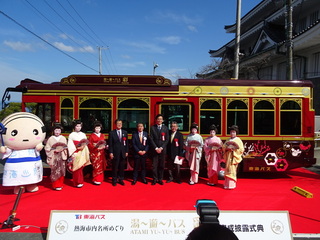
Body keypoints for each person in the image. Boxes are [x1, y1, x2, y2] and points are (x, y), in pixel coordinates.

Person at [67, 119, 90, 188]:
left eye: (80, 126)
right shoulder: (71, 135)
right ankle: (76, 182)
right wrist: (74, 152)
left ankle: (80, 181)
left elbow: (86, 144)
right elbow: (70, 145)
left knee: (81, 167)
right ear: (74, 127)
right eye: (77, 126)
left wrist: (83, 148)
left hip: (82, 152)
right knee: (76, 168)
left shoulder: (83, 134)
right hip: (76, 152)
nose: (78, 127)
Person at [44, 123, 68, 191]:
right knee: (54, 171)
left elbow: (65, 147)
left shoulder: (63, 138)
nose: (57, 132)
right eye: (56, 130)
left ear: (61, 131)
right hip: (54, 156)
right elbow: (47, 148)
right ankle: (55, 185)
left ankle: (60, 184)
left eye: (59, 130)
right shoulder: (50, 139)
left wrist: (63, 149)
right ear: (53, 131)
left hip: (61, 156)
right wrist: (54, 150)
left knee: (62, 170)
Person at [222, 125, 244, 190]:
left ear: (236, 133)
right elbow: (223, 147)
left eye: (234, 132)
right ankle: (226, 184)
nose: (232, 133)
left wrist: (234, 150)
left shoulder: (238, 140)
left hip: (233, 157)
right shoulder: (228, 140)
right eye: (231, 132)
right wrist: (226, 148)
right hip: (228, 157)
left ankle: (231, 185)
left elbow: (241, 149)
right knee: (227, 170)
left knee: (232, 170)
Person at [149, 114, 169, 185]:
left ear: (163, 120)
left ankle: (160, 179)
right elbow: (151, 139)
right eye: (158, 119)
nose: (159, 120)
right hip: (155, 149)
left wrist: (161, 148)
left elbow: (167, 140)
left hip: (162, 149)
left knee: (161, 165)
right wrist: (156, 148)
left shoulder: (165, 128)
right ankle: (154, 179)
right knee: (154, 166)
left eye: (161, 119)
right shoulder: (152, 128)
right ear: (156, 120)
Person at [108, 119, 128, 186]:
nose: (119, 125)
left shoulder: (125, 132)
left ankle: (121, 179)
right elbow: (110, 144)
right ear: (115, 124)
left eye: (120, 123)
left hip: (123, 152)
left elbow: (126, 143)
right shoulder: (112, 133)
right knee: (115, 167)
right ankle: (114, 179)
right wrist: (111, 152)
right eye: (118, 123)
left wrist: (126, 151)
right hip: (115, 152)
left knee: (122, 167)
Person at [88, 121, 107, 185]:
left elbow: (104, 142)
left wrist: (104, 146)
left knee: (101, 166)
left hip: (101, 152)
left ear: (101, 128)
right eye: (96, 128)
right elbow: (90, 145)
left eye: (99, 128)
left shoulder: (102, 135)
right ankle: (95, 179)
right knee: (96, 166)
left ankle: (100, 179)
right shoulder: (92, 136)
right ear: (94, 129)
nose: (97, 129)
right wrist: (96, 147)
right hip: (95, 153)